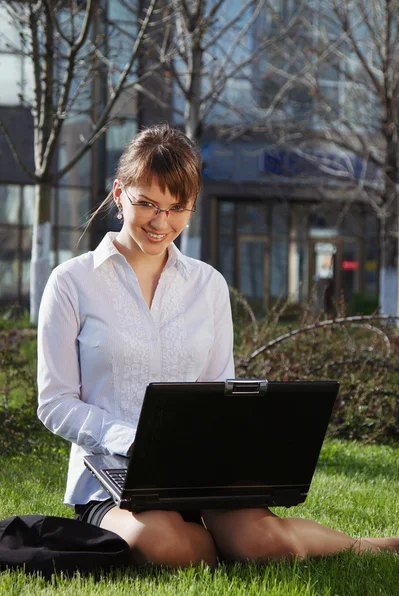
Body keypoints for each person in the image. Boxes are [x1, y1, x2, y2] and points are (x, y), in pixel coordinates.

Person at [37, 123, 399, 569]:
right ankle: (222, 542)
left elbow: (218, 389)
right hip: (111, 478)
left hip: (198, 471)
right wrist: (131, 440)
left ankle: (373, 546)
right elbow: (54, 403)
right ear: (118, 194)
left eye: (177, 208)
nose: (160, 222)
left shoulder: (207, 285)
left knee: (266, 543)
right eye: (147, 203)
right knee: (166, 547)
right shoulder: (72, 282)